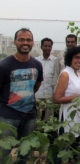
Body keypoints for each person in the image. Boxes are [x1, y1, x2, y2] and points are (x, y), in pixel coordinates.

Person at [0, 28, 43, 161]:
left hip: (29, 116)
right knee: (4, 153)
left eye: (28, 40)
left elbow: (35, 86)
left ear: (33, 42)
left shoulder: (37, 65)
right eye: (21, 39)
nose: (25, 42)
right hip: (8, 116)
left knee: (25, 153)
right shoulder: (5, 65)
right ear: (15, 42)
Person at [53, 46, 80, 136]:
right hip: (69, 117)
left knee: (77, 143)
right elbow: (56, 99)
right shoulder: (65, 74)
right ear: (70, 58)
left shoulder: (78, 74)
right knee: (68, 144)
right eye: (77, 57)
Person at [35, 37, 57, 120]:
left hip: (49, 95)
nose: (47, 48)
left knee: (48, 119)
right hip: (38, 94)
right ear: (41, 47)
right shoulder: (36, 61)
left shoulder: (55, 61)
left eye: (49, 46)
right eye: (45, 46)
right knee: (37, 118)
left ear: (51, 47)